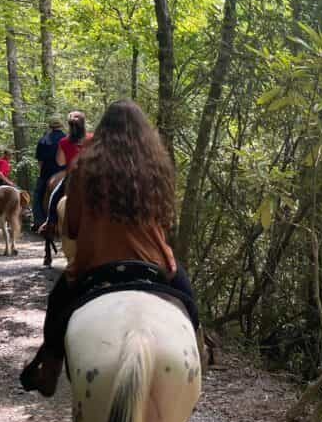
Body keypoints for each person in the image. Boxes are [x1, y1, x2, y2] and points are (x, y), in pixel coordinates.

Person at [19, 99, 197, 397]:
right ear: (144, 133)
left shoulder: (85, 167)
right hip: (151, 263)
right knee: (189, 301)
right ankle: (198, 362)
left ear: (102, 131)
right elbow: (167, 220)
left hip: (94, 264)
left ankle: (48, 369)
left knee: (57, 302)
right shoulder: (157, 169)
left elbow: (72, 227)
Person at [37, 110, 89, 235]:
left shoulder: (64, 142)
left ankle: (49, 222)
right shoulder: (92, 138)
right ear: (84, 124)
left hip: (71, 177)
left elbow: (60, 162)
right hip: (91, 176)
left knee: (54, 197)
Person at [32, 117, 66, 231]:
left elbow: (40, 161)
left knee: (37, 195)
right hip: (65, 171)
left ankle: (39, 221)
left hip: (47, 172)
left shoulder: (43, 139)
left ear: (50, 127)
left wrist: (41, 174)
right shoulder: (67, 138)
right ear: (61, 126)